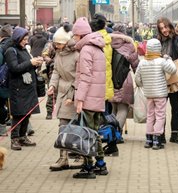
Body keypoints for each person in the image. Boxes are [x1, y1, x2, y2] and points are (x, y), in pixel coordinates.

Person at [72, 17, 107, 179]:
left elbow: (85, 77)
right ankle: (101, 164)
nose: (73, 38)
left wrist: (79, 100)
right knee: (94, 132)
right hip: (97, 97)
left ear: (80, 34)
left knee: (86, 134)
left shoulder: (86, 50)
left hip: (88, 98)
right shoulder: (98, 47)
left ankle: (88, 166)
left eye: (74, 35)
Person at [47, 24, 80, 171]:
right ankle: (63, 157)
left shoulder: (77, 54)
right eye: (55, 43)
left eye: (59, 43)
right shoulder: (59, 54)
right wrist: (52, 85)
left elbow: (79, 77)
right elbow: (55, 71)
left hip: (73, 93)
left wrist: (72, 96)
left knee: (74, 125)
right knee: (63, 125)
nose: (56, 45)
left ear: (67, 42)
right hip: (61, 93)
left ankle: (78, 155)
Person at [5, 27, 43, 150]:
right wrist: (30, 63)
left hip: (28, 87)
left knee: (27, 112)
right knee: (18, 114)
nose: (26, 41)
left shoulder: (24, 50)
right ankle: (14, 139)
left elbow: (27, 66)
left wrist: (36, 63)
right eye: (24, 39)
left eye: (27, 39)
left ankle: (23, 136)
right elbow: (14, 68)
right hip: (17, 88)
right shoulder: (11, 51)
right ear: (17, 38)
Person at [135, 39, 177, 150]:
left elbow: (137, 79)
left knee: (150, 116)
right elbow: (173, 70)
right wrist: (169, 59)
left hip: (148, 94)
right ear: (158, 49)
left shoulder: (142, 62)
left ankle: (148, 140)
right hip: (160, 94)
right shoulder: (161, 61)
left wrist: (143, 85)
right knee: (160, 116)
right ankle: (157, 140)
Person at [156, 17, 178, 144]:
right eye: (161, 28)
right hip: (161, 80)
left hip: (176, 79)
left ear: (170, 26)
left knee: (176, 108)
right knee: (160, 109)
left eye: (165, 27)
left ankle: (174, 134)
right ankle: (160, 134)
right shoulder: (157, 41)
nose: (164, 30)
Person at [109, 24, 139, 134]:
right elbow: (136, 65)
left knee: (113, 108)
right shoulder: (129, 45)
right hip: (125, 80)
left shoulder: (107, 43)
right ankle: (115, 134)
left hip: (109, 80)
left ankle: (110, 132)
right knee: (123, 108)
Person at [90, 13, 114, 103]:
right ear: (104, 25)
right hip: (106, 83)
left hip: (91, 88)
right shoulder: (107, 40)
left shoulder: (88, 41)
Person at [0, 24, 13, 136]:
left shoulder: (1, 47)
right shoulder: (15, 45)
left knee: (1, 104)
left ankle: (3, 129)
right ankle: (26, 128)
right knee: (15, 104)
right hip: (14, 79)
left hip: (3, 81)